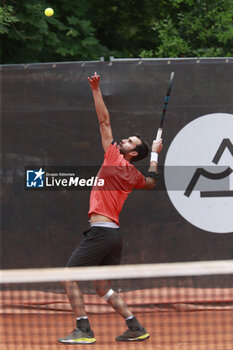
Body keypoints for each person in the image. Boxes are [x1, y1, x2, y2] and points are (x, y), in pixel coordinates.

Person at [58, 72, 162, 344]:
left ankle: (83, 329)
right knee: (102, 287)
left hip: (103, 232)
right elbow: (152, 182)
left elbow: (104, 121)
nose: (122, 141)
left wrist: (95, 89)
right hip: (113, 235)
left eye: (128, 142)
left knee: (68, 278)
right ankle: (135, 326)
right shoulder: (134, 176)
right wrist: (155, 155)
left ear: (129, 155)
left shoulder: (115, 158)